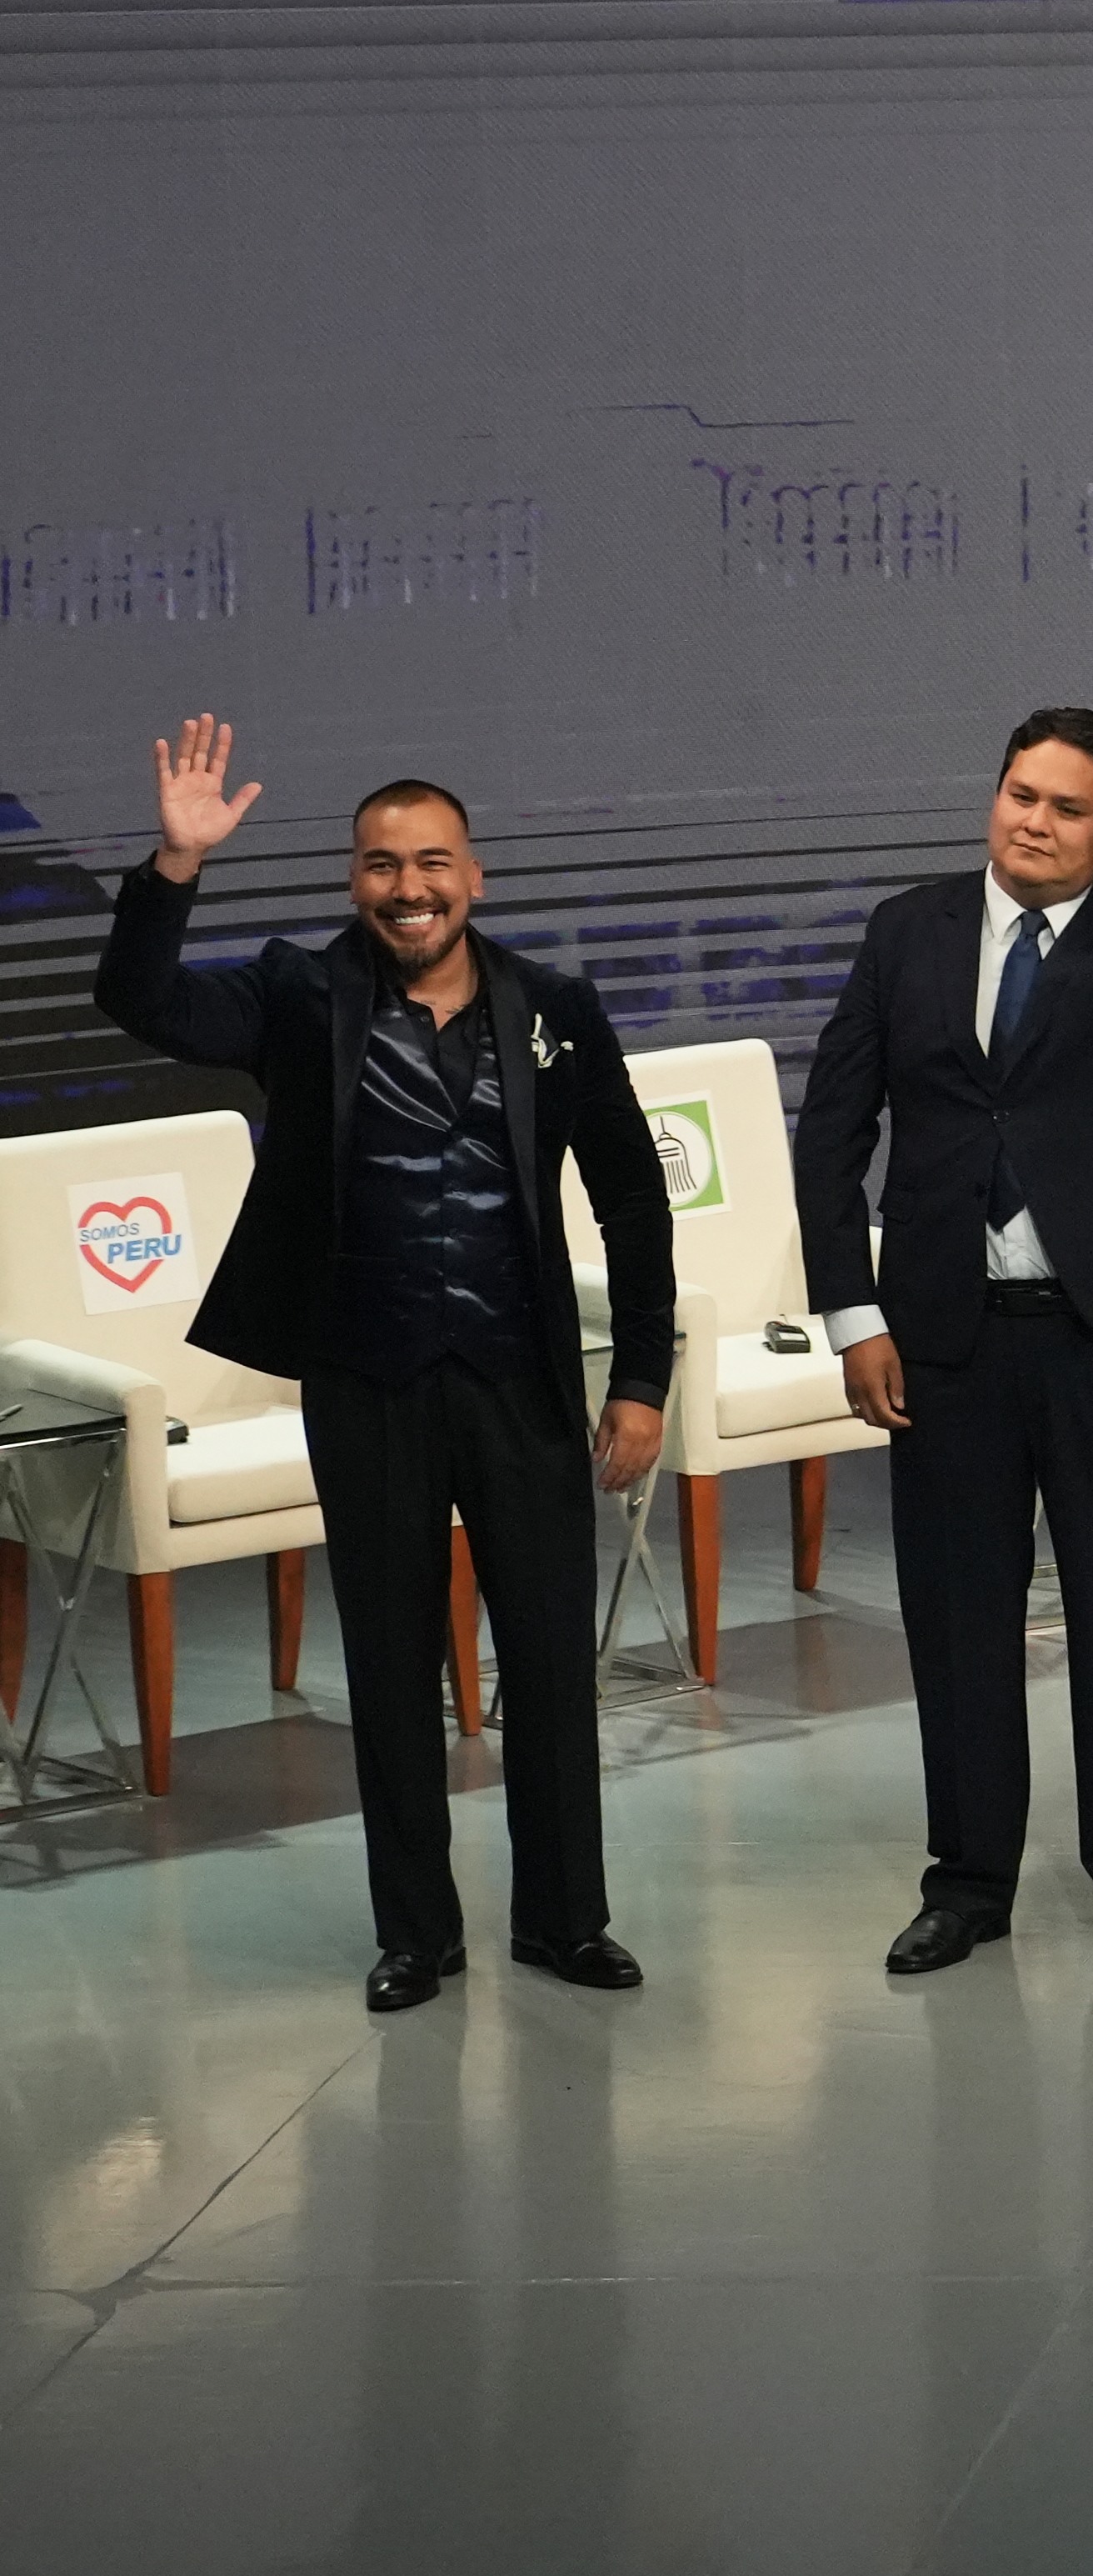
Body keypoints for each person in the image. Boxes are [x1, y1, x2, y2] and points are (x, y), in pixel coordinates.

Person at [93, 723, 675, 2010]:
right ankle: (416, 1933)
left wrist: (640, 1377)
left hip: (521, 1383)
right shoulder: (298, 995)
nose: (406, 888)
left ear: (474, 876)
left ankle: (565, 1920)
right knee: (397, 1668)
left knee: (546, 1662)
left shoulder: (556, 1010)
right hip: (367, 1381)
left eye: (430, 864)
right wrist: (173, 868)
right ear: (352, 880)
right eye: (378, 866)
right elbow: (144, 1002)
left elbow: (633, 1198)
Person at [792, 707, 1093, 1976]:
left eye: (1069, 809)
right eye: (1022, 794)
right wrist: (855, 1312)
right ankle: (966, 1884)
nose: (1036, 822)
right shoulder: (908, 929)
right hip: (945, 1336)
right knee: (956, 1618)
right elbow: (835, 1132)